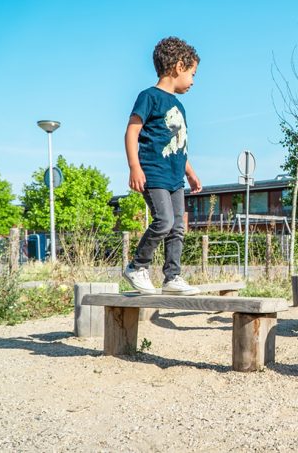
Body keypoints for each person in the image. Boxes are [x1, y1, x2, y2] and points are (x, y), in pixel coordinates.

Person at [122, 37, 202, 296]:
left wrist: (189, 172)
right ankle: (137, 266)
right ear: (179, 66)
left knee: (178, 227)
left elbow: (178, 144)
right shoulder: (149, 97)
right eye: (192, 74)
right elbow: (132, 131)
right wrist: (135, 166)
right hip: (153, 173)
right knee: (164, 221)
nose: (192, 81)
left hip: (175, 177)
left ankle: (172, 277)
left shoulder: (179, 106)